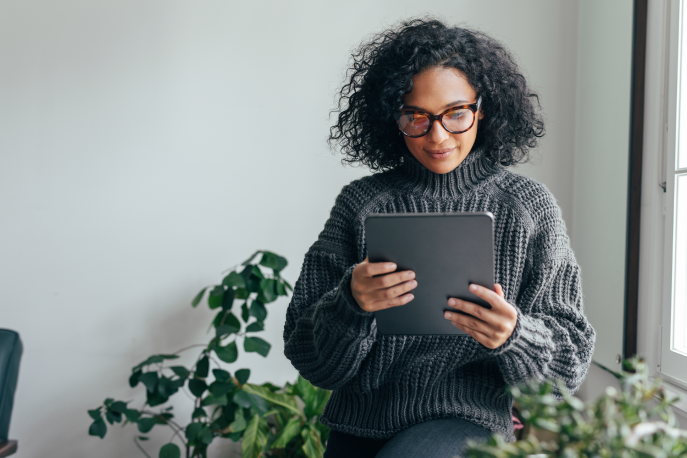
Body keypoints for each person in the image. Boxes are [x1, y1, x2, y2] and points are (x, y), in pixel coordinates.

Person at [283, 18, 595, 458]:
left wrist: (515, 335)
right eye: (416, 116)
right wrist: (351, 304)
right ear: (392, 115)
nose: (437, 136)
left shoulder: (527, 206)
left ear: (482, 108)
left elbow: (568, 365)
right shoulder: (361, 204)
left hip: (466, 419)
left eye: (455, 113)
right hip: (360, 422)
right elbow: (309, 356)